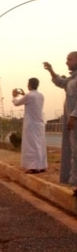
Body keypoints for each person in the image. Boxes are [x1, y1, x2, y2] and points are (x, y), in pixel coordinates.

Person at [43, 52, 77, 193]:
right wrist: (51, 70)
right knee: (73, 152)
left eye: (69, 59)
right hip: (72, 123)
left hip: (74, 121)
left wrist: (73, 116)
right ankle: (74, 181)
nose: (67, 62)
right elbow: (60, 82)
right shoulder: (72, 79)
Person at [12, 78, 47, 174]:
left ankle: (33, 167)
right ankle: (42, 165)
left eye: (28, 84)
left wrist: (14, 96)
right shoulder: (41, 95)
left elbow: (17, 103)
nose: (27, 85)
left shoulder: (29, 95)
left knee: (31, 145)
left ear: (30, 85)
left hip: (31, 124)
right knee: (40, 145)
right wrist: (24, 95)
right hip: (40, 124)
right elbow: (31, 101)